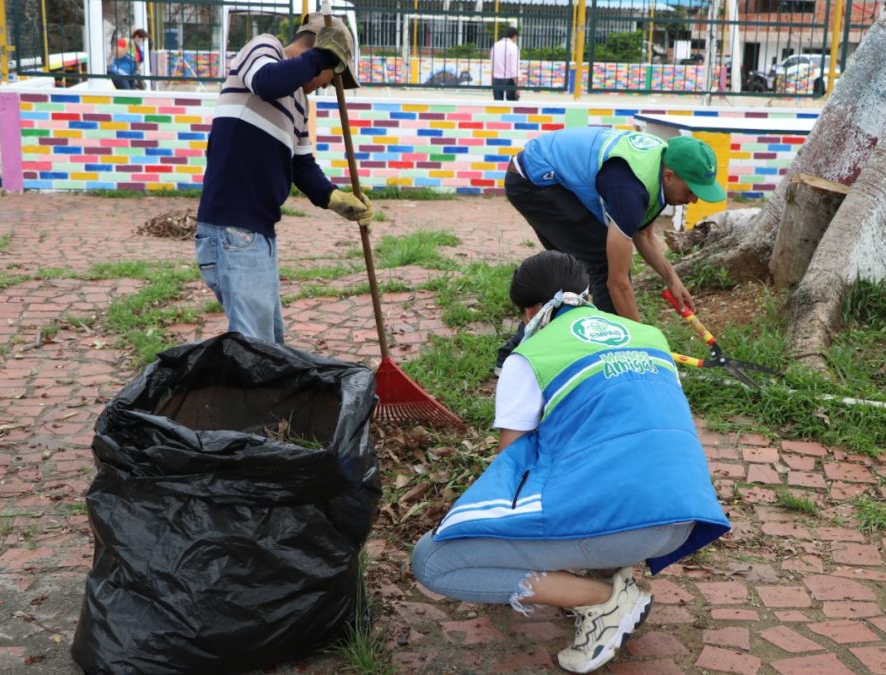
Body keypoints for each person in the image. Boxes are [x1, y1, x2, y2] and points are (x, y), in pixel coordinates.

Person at [413, 250, 730, 674]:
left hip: (627, 526)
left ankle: (605, 602)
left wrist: (471, 525)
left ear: (528, 311)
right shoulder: (649, 335)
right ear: (586, 294)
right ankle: (602, 576)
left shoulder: (530, 355)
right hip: (683, 518)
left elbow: (512, 467)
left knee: (433, 562)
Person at [195, 14, 373, 344]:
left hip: (258, 233)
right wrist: (323, 57)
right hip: (231, 230)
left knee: (271, 343)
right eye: (330, 78)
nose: (324, 87)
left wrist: (335, 198)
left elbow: (302, 165)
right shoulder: (264, 48)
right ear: (321, 56)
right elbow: (266, 82)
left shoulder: (299, 102)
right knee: (258, 350)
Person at [496, 128, 726, 370]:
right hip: (533, 180)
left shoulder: (658, 168)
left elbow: (643, 232)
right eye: (691, 191)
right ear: (669, 176)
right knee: (602, 263)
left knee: (577, 273)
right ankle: (614, 356)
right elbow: (616, 282)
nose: (694, 200)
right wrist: (643, 344)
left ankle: (525, 353)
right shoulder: (631, 187)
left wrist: (672, 279)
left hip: (549, 177)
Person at [490, 26, 520, 101]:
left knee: (498, 105)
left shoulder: (495, 45)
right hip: (509, 79)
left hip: (496, 78)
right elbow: (514, 69)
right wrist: (517, 87)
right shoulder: (513, 47)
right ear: (515, 36)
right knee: (511, 105)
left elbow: (492, 63)